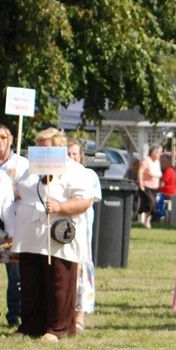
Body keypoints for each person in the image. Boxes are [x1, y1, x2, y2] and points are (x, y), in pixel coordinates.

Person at [12, 128, 96, 341]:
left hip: (58, 234)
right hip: (30, 235)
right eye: (39, 147)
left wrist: (60, 206)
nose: (42, 152)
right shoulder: (29, 170)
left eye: (46, 148)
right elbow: (21, 191)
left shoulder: (75, 171)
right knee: (31, 281)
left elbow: (85, 201)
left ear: (59, 148)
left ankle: (58, 328)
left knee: (58, 281)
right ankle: (31, 325)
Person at [0, 125, 30, 327]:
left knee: (15, 272)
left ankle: (14, 314)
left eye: (3, 137)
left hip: (16, 224)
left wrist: (13, 190)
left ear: (11, 139)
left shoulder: (22, 164)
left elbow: (29, 190)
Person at [66, 141, 102, 334]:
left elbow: (88, 200)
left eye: (74, 154)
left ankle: (79, 316)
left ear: (80, 156)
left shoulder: (88, 175)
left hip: (81, 229)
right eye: (68, 154)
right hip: (62, 229)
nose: (71, 157)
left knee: (81, 270)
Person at [136, 145, 162, 228]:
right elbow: (140, 172)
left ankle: (147, 220)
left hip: (155, 188)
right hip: (146, 186)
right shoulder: (146, 160)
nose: (160, 154)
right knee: (151, 203)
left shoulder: (157, 162)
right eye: (159, 153)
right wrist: (141, 184)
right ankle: (144, 219)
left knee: (154, 206)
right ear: (154, 153)